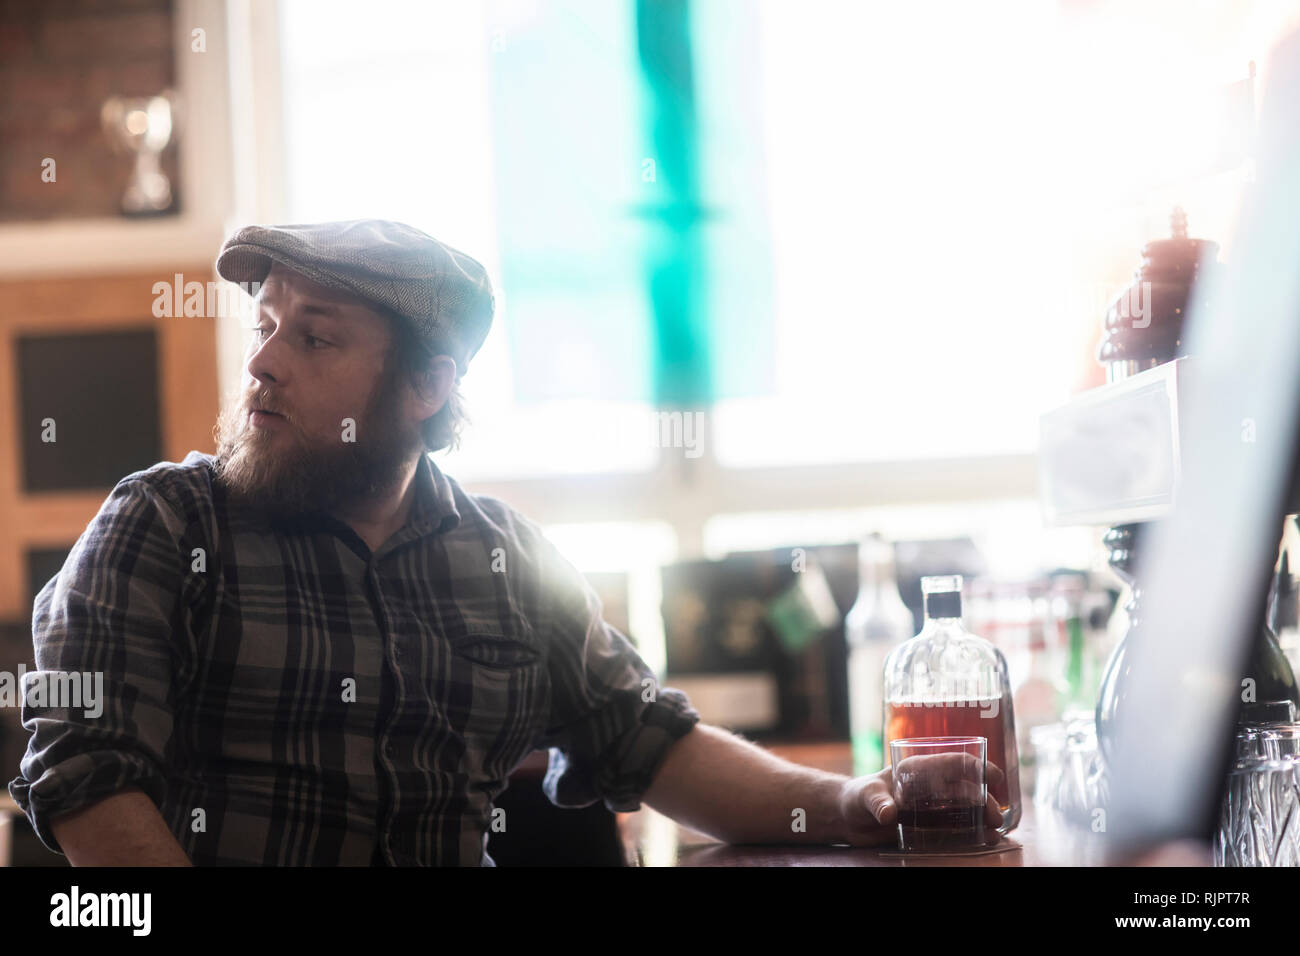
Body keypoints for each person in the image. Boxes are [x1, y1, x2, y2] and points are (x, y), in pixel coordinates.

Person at [8, 220, 1000, 865]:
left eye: (314, 338)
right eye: (265, 325)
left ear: (425, 385)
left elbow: (648, 739)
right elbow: (88, 776)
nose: (262, 364)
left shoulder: (507, 559)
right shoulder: (163, 523)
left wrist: (853, 800)